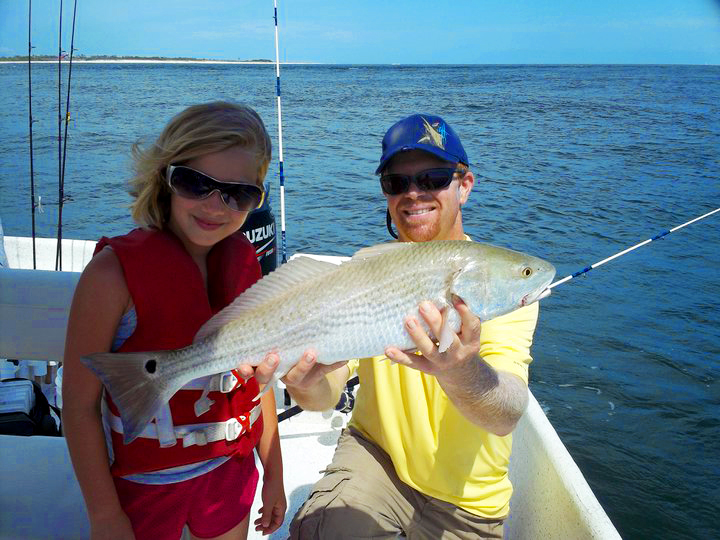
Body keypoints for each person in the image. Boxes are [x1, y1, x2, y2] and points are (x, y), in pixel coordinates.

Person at [277, 114, 541, 539]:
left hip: (466, 502)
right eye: (396, 183)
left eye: (433, 177)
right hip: (374, 457)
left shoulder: (501, 289)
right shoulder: (371, 269)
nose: (413, 194)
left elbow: (506, 413)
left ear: (465, 185)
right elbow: (327, 392)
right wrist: (305, 384)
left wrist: (460, 370)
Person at [62, 101, 286, 540]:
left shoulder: (245, 266)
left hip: (231, 478)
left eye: (238, 194)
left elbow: (258, 386)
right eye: (194, 182)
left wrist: (274, 472)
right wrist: (105, 515)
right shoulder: (111, 277)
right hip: (143, 490)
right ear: (164, 177)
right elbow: (78, 406)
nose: (214, 205)